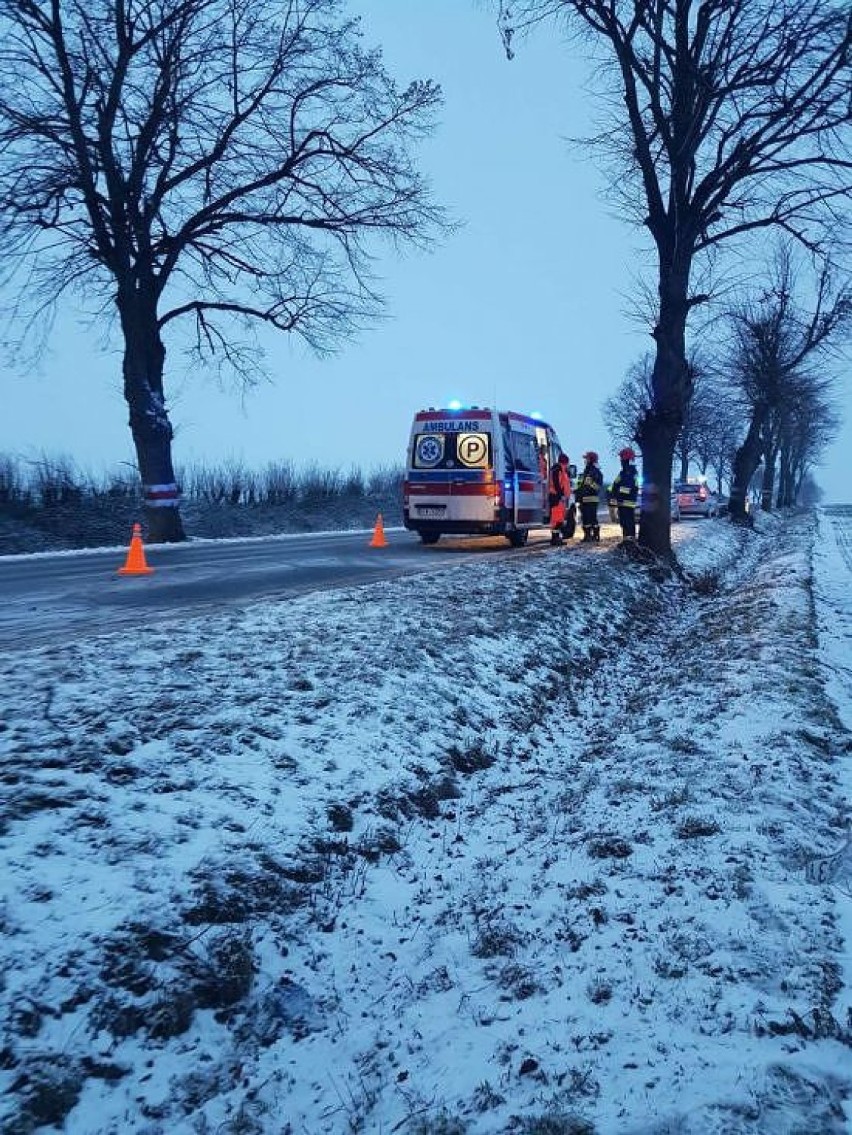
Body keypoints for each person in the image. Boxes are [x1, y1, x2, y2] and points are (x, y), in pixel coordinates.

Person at [610, 447, 640, 539]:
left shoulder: (631, 472)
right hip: (622, 501)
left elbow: (629, 488)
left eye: (622, 458)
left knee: (628, 521)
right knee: (624, 522)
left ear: (626, 459)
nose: (620, 460)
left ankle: (630, 540)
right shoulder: (623, 472)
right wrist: (612, 492)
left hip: (627, 502)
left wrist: (617, 492)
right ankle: (626, 539)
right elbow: (615, 484)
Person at [576, 451, 604, 542]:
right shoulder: (586, 471)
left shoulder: (596, 472)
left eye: (586, 459)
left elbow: (597, 487)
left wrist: (590, 483)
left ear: (591, 460)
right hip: (584, 499)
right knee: (585, 519)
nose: (585, 461)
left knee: (592, 518)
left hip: (591, 499)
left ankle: (595, 535)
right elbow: (582, 486)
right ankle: (587, 536)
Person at [548, 452, 573, 545]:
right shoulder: (557, 470)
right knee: (556, 519)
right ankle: (555, 539)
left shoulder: (561, 470)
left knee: (559, 518)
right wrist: (561, 494)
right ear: (565, 462)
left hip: (559, 498)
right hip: (556, 497)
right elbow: (557, 484)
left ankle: (556, 538)